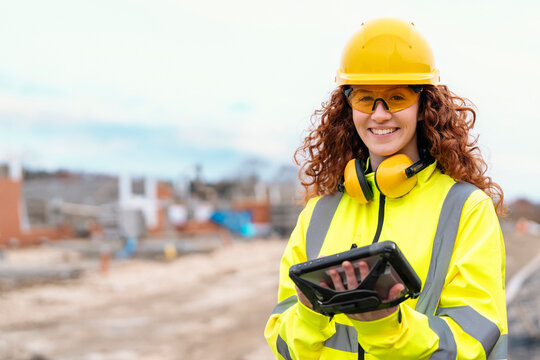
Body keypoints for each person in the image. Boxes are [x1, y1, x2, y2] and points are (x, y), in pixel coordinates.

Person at [264, 18, 507, 359]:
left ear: (425, 105)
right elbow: (283, 347)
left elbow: (475, 340)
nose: (379, 114)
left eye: (396, 97)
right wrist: (309, 314)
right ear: (348, 107)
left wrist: (387, 326)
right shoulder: (318, 213)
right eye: (365, 98)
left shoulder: (466, 208)